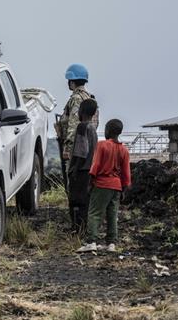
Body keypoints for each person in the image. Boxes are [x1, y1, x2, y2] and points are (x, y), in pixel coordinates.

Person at [77, 119, 131, 253]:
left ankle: (91, 241)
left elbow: (95, 165)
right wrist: (124, 188)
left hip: (102, 184)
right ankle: (111, 243)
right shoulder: (124, 150)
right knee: (112, 214)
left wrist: (90, 183)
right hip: (116, 186)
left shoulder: (102, 145)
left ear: (108, 130)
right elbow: (126, 173)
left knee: (94, 213)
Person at [55, 64, 99, 172]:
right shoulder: (89, 97)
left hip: (76, 149)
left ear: (72, 81)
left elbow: (74, 125)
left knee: (73, 180)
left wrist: (68, 148)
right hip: (88, 145)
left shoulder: (76, 98)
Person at [67, 98, 98, 234]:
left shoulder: (82, 127)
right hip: (90, 170)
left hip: (80, 170)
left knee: (75, 201)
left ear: (82, 111)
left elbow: (81, 151)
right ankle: (83, 228)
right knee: (85, 202)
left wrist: (74, 169)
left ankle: (77, 229)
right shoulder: (93, 129)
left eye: (79, 109)